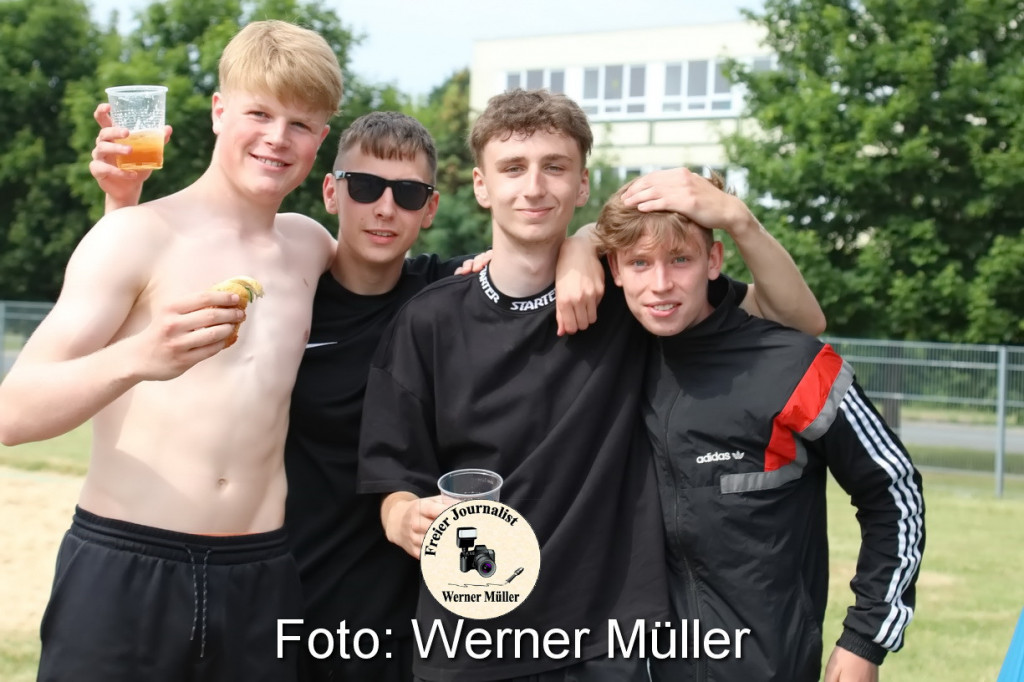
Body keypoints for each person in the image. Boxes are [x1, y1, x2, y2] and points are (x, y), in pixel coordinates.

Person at [87, 103, 601, 680]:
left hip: (405, 606)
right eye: (365, 187)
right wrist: (121, 207)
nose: (385, 208)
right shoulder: (284, 292)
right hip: (280, 588)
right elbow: (139, 307)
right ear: (332, 192)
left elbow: (531, 244)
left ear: (430, 208)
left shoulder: (445, 296)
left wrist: (582, 245)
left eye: (408, 194)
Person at [356, 88, 827, 682]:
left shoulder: (631, 297)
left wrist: (735, 218)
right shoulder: (428, 320)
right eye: (512, 168)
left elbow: (797, 320)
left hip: (606, 643)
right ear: (481, 185)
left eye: (555, 167)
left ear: (581, 186)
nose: (533, 187)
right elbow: (392, 477)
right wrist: (402, 518)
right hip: (467, 636)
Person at [0, 20, 344, 682]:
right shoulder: (135, 236)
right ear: (219, 112)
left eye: (301, 124)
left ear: (321, 140)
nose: (278, 137)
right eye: (259, 112)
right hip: (126, 568)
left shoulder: (311, 248)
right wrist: (140, 357)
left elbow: (425, 284)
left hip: (262, 575)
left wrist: (578, 248)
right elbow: (13, 415)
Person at [592, 170, 926, 682]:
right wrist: (575, 246)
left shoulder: (793, 365)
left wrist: (865, 639)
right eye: (640, 263)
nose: (660, 284)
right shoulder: (604, 352)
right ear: (615, 269)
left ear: (714, 260)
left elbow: (895, 494)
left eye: (680, 260)